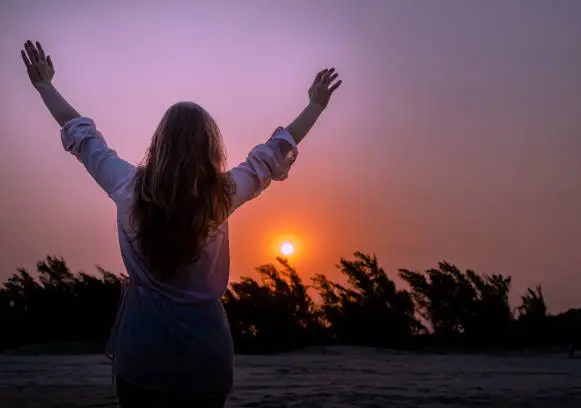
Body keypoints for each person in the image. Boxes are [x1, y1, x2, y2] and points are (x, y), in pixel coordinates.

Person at [20, 40, 342, 407]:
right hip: (206, 359)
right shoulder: (221, 194)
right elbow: (271, 154)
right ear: (210, 147)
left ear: (160, 143)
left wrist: (44, 86)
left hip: (143, 357)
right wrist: (315, 105)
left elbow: (83, 136)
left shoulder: (127, 187)